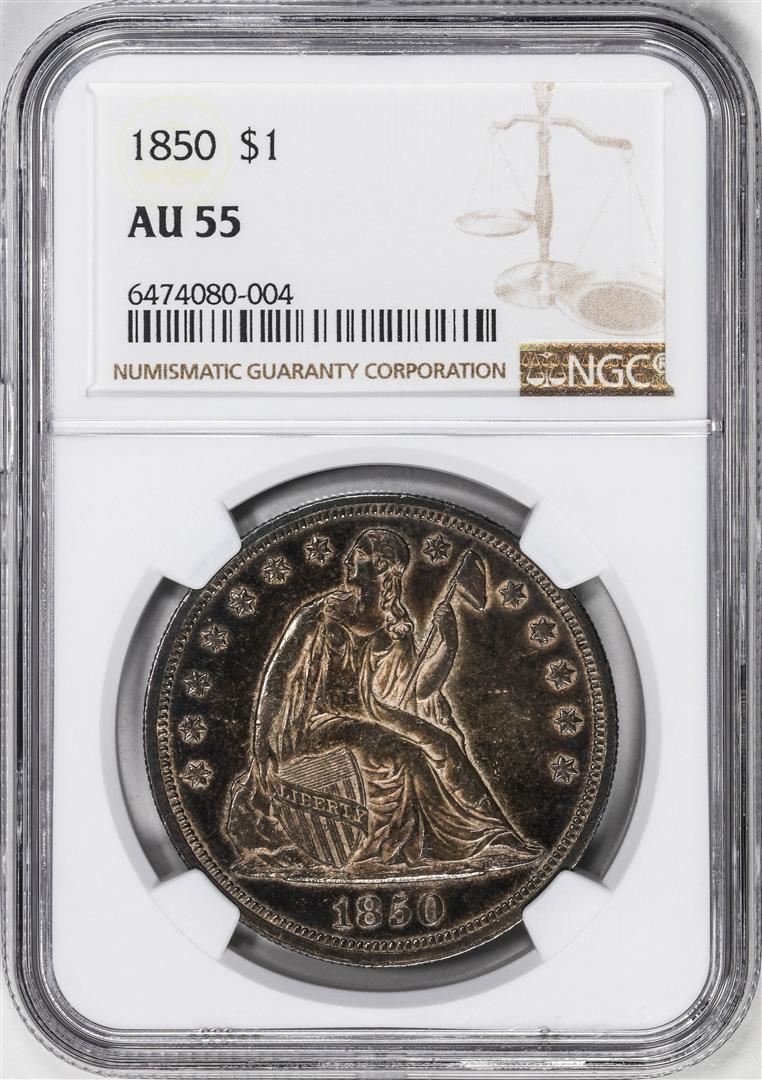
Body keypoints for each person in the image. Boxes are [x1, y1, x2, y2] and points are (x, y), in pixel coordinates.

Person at [226, 528, 542, 876]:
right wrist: (261, 745)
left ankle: (492, 837)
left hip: (367, 711)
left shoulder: (392, 624)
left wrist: (446, 646)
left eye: (361, 553)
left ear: (383, 567)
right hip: (316, 720)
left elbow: (417, 691)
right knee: (403, 752)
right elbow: (277, 678)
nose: (350, 559)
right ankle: (411, 846)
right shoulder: (318, 615)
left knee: (443, 743)